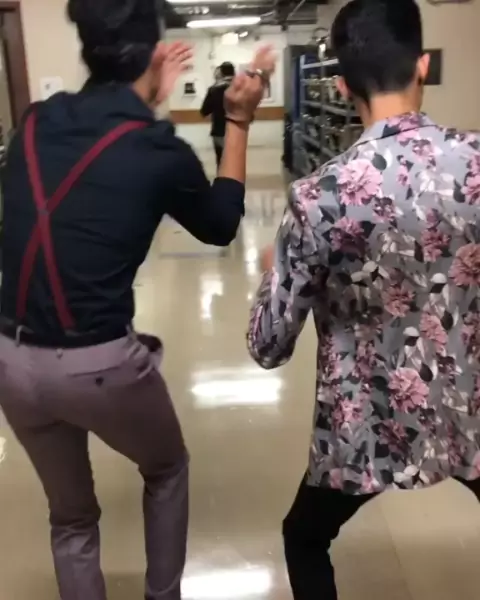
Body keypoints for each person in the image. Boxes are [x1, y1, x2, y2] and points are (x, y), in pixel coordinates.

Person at [0, 0, 275, 599]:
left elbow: (100, 149)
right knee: (167, 468)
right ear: (154, 57)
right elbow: (220, 224)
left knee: (71, 517)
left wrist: (145, 88)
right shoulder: (155, 148)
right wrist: (238, 119)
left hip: (11, 361)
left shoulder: (36, 122)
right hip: (96, 364)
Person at [247, 1, 480, 598]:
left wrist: (274, 274)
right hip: (469, 408)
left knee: (305, 538)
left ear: (344, 85)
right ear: (422, 65)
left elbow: (268, 345)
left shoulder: (320, 196)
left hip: (365, 426)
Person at [200, 62, 236, 170]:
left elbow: (204, 111)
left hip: (219, 131)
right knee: (235, 161)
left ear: (220, 73)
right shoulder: (240, 89)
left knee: (221, 161)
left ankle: (222, 177)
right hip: (237, 131)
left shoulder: (214, 90)